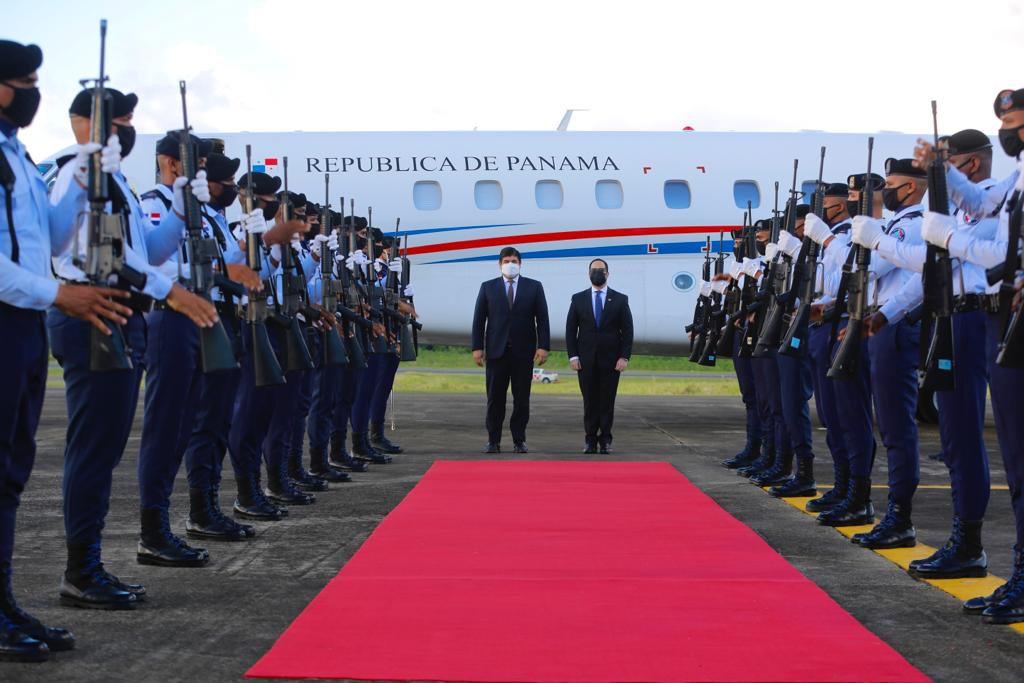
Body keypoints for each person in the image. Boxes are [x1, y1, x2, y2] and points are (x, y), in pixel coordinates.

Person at [51, 86, 216, 609]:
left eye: (127, 119)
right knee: (94, 450)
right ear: (82, 123)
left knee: (105, 447)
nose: (125, 128)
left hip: (125, 317)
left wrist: (184, 199)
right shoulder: (69, 173)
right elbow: (61, 246)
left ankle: (89, 564)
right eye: (117, 119)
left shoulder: (120, 181)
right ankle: (82, 569)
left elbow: (151, 251)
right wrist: (172, 291)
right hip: (91, 315)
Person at [0, 38, 113, 661]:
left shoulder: (15, 153)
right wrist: (56, 295)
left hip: (21, 325)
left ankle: (6, 600)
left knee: (13, 466)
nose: (30, 92)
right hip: (13, 312)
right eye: (22, 80)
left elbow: (52, 230)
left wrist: (85, 176)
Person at [916, 88, 1024, 623]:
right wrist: (940, 172)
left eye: (1016, 122)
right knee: (962, 437)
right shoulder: (1012, 184)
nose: (1010, 130)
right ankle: (968, 543)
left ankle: (1009, 564)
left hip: (993, 314)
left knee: (1015, 450)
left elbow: (999, 255)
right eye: (1005, 121)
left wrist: (946, 237)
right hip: (962, 315)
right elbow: (981, 204)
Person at [846, 157, 928, 548]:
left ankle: (900, 517)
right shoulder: (897, 226)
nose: (885, 192)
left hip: (894, 328)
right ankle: (893, 513)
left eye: (890, 184)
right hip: (883, 323)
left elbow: (880, 268)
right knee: (889, 424)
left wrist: (872, 237)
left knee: (897, 426)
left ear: (908, 188)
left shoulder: (911, 226)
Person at [472, 247, 550, 453]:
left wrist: (543, 346)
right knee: (494, 399)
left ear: (520, 264)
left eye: (514, 260)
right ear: (500, 264)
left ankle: (519, 440)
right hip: (496, 352)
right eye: (506, 260)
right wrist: (477, 347)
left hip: (523, 353)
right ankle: (493, 440)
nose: (510, 264)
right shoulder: (488, 287)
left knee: (522, 400)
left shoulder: (534, 287)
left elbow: (542, 318)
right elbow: (479, 320)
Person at [566, 259, 633, 454]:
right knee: (589, 400)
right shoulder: (578, 299)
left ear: (607, 274)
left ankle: (605, 440)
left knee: (607, 401)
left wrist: (624, 357)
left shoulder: (620, 299)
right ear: (588, 274)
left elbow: (627, 331)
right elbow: (571, 331)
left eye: (601, 271)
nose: (597, 273)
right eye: (594, 271)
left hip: (611, 361)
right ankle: (589, 440)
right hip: (585, 360)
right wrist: (573, 356)